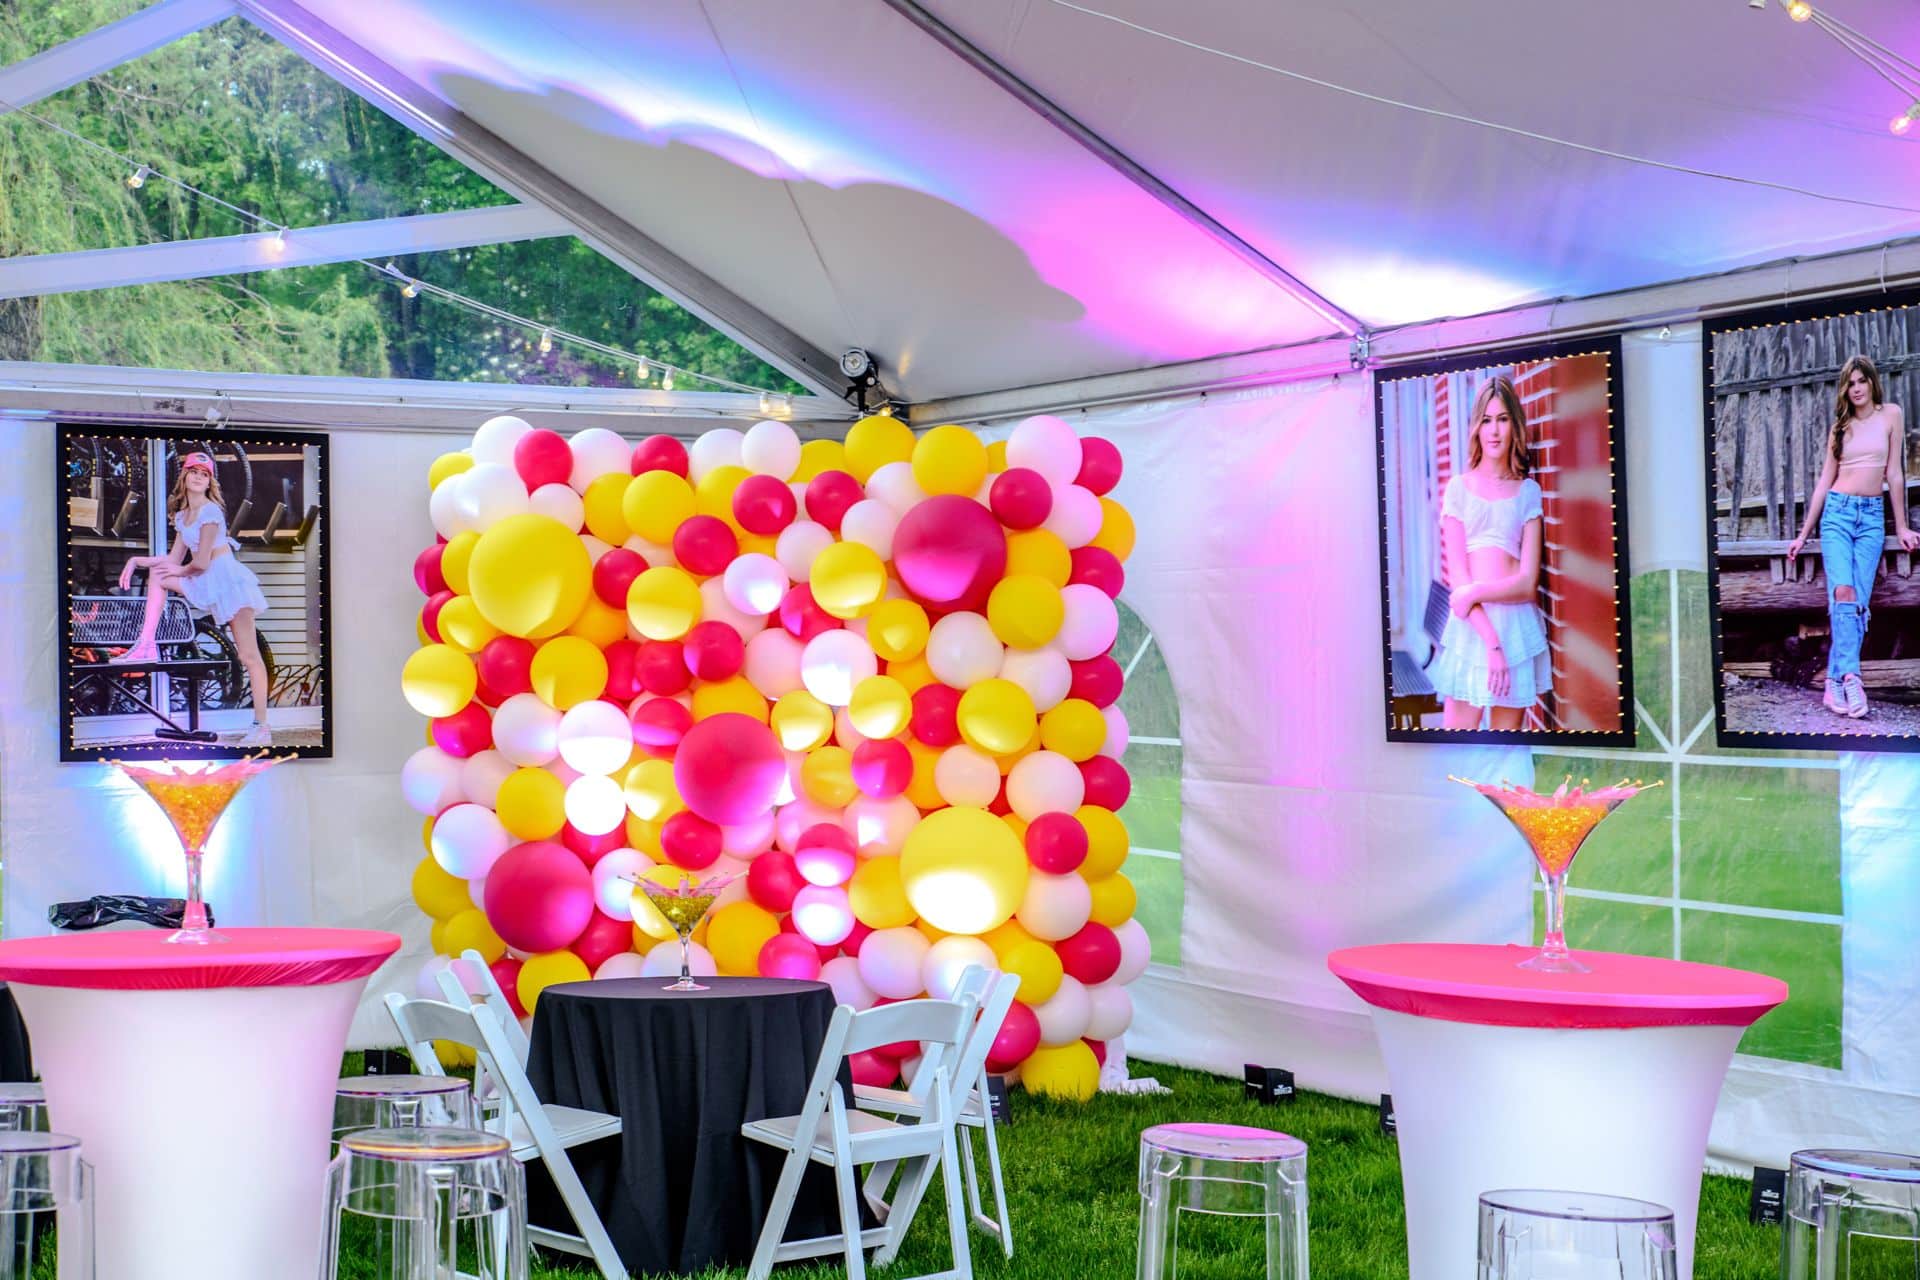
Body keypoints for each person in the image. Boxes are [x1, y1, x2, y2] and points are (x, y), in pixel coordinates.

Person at [1786, 354, 1920, 719]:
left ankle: (1832, 685)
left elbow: (1893, 474)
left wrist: (1902, 525)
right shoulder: (1840, 428)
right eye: (1850, 383)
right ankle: (1852, 678)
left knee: (1856, 604)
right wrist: (1802, 534)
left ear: (1872, 383)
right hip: (1837, 516)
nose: (1856, 388)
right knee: (1843, 591)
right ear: (1844, 389)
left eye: (1861, 381)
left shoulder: (1890, 414)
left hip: (1872, 518)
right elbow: (1823, 484)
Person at [111, 451, 274, 746]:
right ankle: (146, 645)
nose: (198, 477)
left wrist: (178, 570)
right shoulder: (183, 516)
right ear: (184, 476)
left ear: (209, 481)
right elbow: (173, 558)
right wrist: (137, 560)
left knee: (249, 656)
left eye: (204, 473)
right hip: (204, 578)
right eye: (193, 471)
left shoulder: (211, 513)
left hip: (227, 582)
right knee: (159, 576)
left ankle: (261, 725)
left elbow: (199, 563)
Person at [1429, 376, 1552, 730]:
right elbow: (1459, 584)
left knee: (1504, 755)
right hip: (1474, 629)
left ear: (1515, 425)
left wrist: (1476, 592)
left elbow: (1528, 583)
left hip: (1517, 626)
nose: (1494, 430)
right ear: (1476, 428)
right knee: (1458, 748)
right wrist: (1491, 644)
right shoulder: (1459, 489)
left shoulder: (1529, 491)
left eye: (1502, 419)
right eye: (1486, 420)